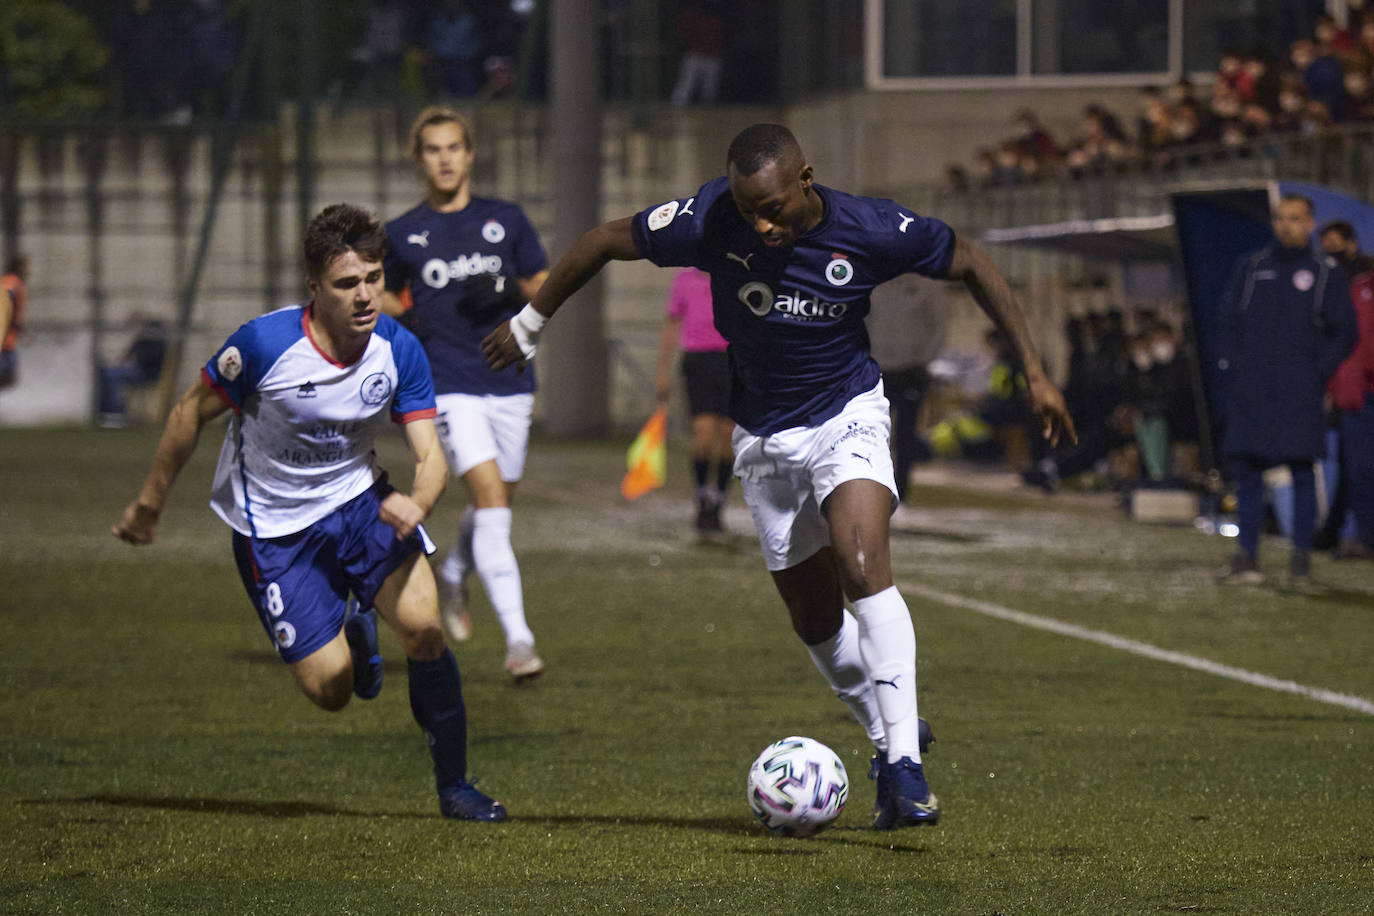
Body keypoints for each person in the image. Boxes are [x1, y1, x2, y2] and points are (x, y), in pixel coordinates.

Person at [482, 123, 1075, 830]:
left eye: (773, 207)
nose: (760, 223)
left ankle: (907, 764)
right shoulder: (709, 219)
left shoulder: (871, 229)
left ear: (806, 179)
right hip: (763, 435)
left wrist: (1036, 373)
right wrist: (529, 324)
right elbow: (600, 242)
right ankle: (889, 743)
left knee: (862, 564)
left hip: (846, 413)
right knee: (816, 619)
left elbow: (972, 262)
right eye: (747, 208)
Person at [111, 203, 506, 823]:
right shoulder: (265, 345)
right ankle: (355, 634)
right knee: (331, 692)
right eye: (347, 284)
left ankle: (454, 786)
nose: (364, 296)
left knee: (427, 631)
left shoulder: (399, 350)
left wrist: (418, 501)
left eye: (373, 279)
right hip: (274, 531)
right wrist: (150, 502)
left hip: (361, 505)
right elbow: (189, 409)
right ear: (315, 288)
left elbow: (431, 456)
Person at [381, 106, 549, 681]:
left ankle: (454, 572)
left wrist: (508, 289)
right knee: (493, 504)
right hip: (446, 383)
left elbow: (544, 287)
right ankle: (520, 641)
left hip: (510, 381)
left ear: (470, 153)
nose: (445, 158)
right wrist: (405, 315)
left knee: (495, 502)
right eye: (433, 149)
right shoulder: (403, 233)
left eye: (454, 147)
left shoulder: (506, 219)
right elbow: (371, 289)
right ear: (419, 158)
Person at [1215, 194, 1358, 587]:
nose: (1286, 226)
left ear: (1310, 223)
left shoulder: (1326, 272)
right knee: (1246, 472)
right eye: (1280, 218)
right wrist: (1231, 366)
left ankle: (1299, 563)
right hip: (1253, 390)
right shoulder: (1252, 266)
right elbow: (1228, 320)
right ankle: (1247, 559)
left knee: (1301, 471)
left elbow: (1345, 333)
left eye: (1295, 219)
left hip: (1298, 392)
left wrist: (1317, 372)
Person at [653, 267, 734, 535]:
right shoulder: (684, 279)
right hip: (698, 362)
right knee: (702, 436)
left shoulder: (733, 273)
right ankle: (702, 499)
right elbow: (672, 324)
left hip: (731, 361)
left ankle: (718, 504)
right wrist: (663, 369)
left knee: (728, 440)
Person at [96, 313, 168, 427]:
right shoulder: (141, 339)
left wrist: (131, 362)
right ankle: (104, 411)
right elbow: (126, 356)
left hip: (146, 373)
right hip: (135, 370)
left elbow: (149, 359)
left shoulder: (155, 339)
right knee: (105, 373)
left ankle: (116, 414)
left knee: (112, 377)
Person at [669, 1, 726, 106]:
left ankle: (708, 111)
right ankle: (677, 109)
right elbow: (682, 36)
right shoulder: (691, 17)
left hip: (712, 56)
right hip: (695, 55)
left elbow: (720, 39)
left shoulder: (716, 21)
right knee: (686, 85)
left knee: (710, 89)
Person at [1, 254, 27, 389]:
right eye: (24, 268)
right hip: (5, 341)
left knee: (9, 377)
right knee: (8, 376)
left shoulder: (10, 282)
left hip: (8, 340)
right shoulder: (12, 283)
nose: (27, 272)